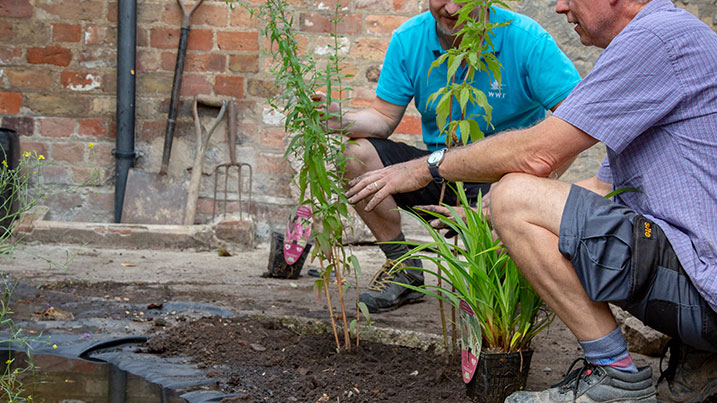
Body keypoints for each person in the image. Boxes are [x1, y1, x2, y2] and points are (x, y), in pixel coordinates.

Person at [345, 0, 717, 401]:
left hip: (702, 284)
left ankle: (615, 374)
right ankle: (702, 354)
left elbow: (541, 152)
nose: (559, 7)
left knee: (515, 194)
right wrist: (476, 214)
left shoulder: (652, 39)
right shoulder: (666, 35)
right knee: (515, 199)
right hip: (696, 277)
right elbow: (601, 187)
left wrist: (425, 168)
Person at [322, 0, 581, 313]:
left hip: (504, 180)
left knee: (495, 302)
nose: (451, 7)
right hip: (437, 171)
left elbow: (576, 121)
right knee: (355, 154)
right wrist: (340, 120)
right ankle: (402, 268)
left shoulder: (525, 38)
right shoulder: (409, 38)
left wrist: (535, 182)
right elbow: (383, 117)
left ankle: (521, 279)